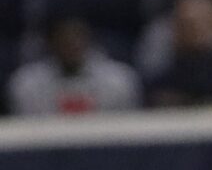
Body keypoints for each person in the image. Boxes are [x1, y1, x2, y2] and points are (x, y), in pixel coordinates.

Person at [11, 18, 141, 115]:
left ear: (88, 41)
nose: (72, 46)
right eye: (65, 41)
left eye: (77, 39)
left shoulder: (118, 80)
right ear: (51, 44)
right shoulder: (27, 83)